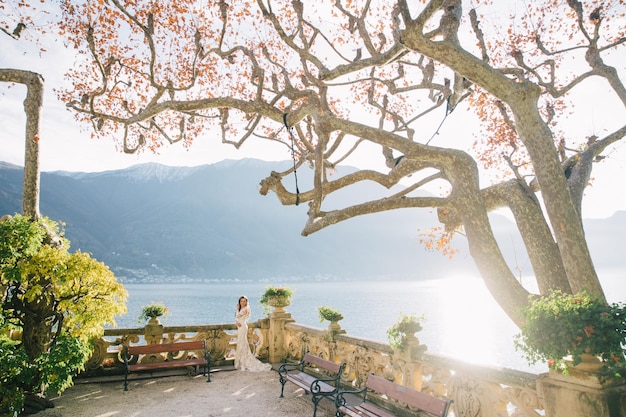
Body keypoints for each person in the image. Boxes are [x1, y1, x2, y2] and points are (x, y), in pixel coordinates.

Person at [234, 295, 272, 372]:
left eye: (244, 301)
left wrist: (237, 311)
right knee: (241, 343)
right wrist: (237, 322)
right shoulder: (241, 308)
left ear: (246, 302)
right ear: (239, 301)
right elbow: (237, 318)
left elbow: (238, 315)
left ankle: (245, 362)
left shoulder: (246, 309)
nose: (243, 302)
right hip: (240, 326)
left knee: (243, 343)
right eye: (241, 301)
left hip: (243, 327)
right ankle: (242, 362)